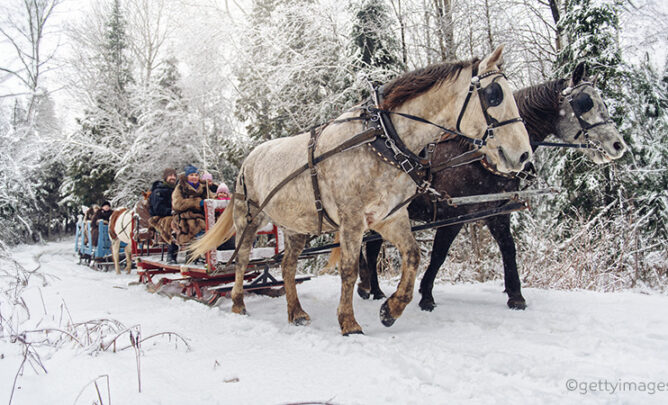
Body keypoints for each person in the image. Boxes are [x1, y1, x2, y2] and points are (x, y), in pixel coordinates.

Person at [171, 164, 208, 262]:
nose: (194, 177)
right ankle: (198, 253)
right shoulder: (180, 188)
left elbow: (211, 197)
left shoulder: (203, 187)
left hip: (202, 215)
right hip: (185, 216)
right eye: (191, 175)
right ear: (187, 176)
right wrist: (196, 202)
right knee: (196, 225)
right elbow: (177, 204)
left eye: (196, 175)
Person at [148, 168, 179, 263]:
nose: (172, 178)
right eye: (170, 176)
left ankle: (192, 252)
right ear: (165, 177)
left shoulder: (177, 190)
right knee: (171, 223)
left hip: (176, 214)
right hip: (160, 217)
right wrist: (171, 211)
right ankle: (171, 253)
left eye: (174, 176)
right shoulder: (158, 191)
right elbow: (158, 208)